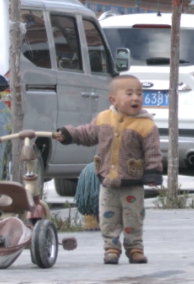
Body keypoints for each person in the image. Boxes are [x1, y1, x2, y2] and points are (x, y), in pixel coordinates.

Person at [54, 75, 163, 265]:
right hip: (107, 181)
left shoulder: (146, 125)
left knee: (133, 217)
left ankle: (134, 247)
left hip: (132, 183)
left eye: (139, 93)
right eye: (129, 94)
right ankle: (111, 248)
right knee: (107, 218)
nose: (136, 98)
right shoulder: (103, 119)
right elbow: (86, 134)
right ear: (113, 100)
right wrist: (68, 134)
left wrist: (153, 171)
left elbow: (152, 151)